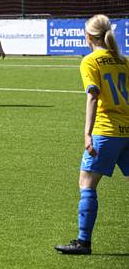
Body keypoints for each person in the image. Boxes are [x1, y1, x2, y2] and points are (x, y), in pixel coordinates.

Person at [55, 14, 129, 255]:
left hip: (106, 132)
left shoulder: (90, 61)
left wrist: (87, 134)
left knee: (87, 183)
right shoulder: (123, 60)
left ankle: (83, 242)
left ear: (88, 36)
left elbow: (93, 95)